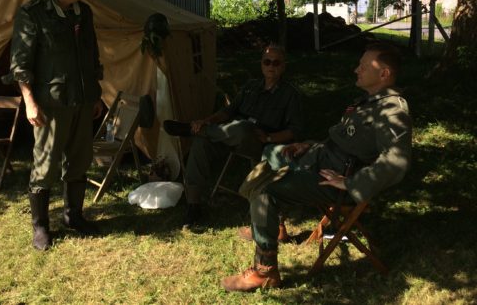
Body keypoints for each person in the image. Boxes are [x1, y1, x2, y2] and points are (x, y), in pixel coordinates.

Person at [221, 42, 412, 292]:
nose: (356, 70)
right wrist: (309, 145)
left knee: (266, 192)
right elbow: (346, 140)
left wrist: (351, 182)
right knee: (269, 153)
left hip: (334, 179)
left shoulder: (392, 110)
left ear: (384, 74)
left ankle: (265, 271)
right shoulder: (368, 102)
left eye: (363, 66)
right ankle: (274, 227)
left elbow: (397, 161)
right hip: (321, 159)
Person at [9, 0, 104, 251]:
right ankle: (40, 227)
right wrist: (29, 102)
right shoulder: (33, 13)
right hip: (50, 103)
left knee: (79, 160)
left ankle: (73, 216)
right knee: (45, 165)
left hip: (83, 99)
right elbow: (20, 63)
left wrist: (96, 94)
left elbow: (91, 56)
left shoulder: (83, 13)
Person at [163, 45, 303, 228]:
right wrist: (205, 121)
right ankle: (193, 205)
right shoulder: (251, 87)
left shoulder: (290, 94)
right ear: (261, 64)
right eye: (267, 62)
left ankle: (190, 129)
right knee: (200, 142)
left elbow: (295, 131)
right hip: (229, 135)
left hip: (259, 140)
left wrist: (269, 138)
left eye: (276, 63)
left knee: (243, 127)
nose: (271, 66)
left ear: (283, 66)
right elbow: (227, 112)